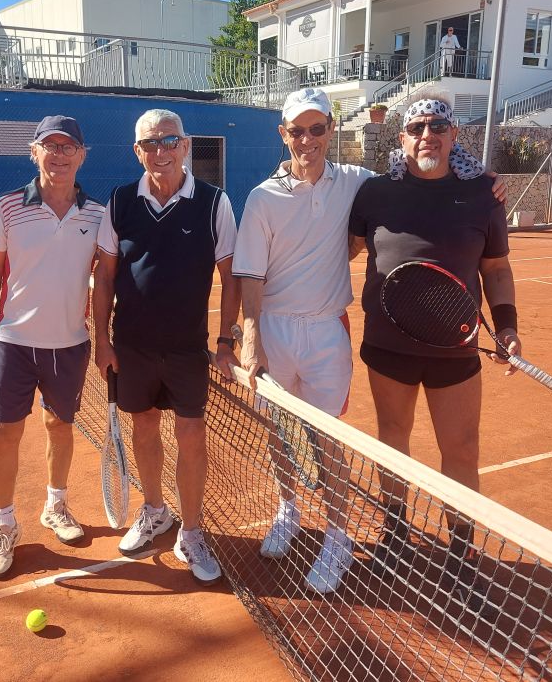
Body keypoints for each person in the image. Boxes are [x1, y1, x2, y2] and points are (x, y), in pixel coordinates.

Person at [233, 87, 503, 595]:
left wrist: (484, 175)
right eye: (298, 130)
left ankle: (339, 537)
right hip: (276, 328)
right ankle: (289, 510)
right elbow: (252, 273)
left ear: (331, 130)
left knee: (330, 439)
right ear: (284, 134)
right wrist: (250, 337)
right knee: (278, 429)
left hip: (327, 330)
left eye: (317, 128)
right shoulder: (265, 197)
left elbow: (420, 179)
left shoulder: (358, 183)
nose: (308, 139)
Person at [348, 90, 519, 605]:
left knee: (461, 449)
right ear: (402, 138)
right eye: (417, 128)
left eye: (438, 127)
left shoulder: (484, 193)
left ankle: (461, 556)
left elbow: (496, 269)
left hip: (457, 349)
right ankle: (395, 535)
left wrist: (507, 327)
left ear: (453, 136)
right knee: (392, 438)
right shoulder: (375, 192)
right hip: (389, 346)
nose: (428, 136)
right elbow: (344, 248)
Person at [93, 108, 241, 586]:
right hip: (132, 347)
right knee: (144, 428)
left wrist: (225, 340)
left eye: (169, 141)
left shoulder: (214, 202)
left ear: (185, 145)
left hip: (186, 350)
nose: (161, 151)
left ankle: (191, 532)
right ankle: (155, 510)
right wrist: (102, 340)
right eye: (150, 144)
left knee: (191, 435)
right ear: (137, 151)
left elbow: (231, 277)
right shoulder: (119, 201)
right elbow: (105, 277)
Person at [0, 115, 105, 579]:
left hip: (69, 345)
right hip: (12, 343)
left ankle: (56, 504)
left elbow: (108, 278)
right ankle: (5, 525)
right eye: (50, 146)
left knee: (60, 427)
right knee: (6, 434)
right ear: (35, 153)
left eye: (69, 147)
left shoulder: (98, 215)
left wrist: (107, 336)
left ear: (82, 156)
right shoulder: (8, 207)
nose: (59, 155)